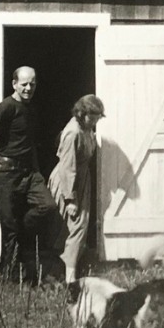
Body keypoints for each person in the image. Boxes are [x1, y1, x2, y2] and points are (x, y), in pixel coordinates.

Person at [0, 66, 59, 281]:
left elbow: (29, 144)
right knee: (9, 227)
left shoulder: (32, 109)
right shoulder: (5, 107)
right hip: (6, 172)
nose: (28, 88)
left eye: (32, 84)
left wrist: (37, 172)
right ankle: (9, 277)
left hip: (29, 172)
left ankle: (21, 234)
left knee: (48, 206)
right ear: (14, 83)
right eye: (24, 84)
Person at [49, 94, 105, 283]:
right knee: (76, 228)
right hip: (68, 182)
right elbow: (68, 167)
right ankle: (70, 279)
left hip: (81, 179)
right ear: (82, 113)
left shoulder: (86, 128)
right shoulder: (73, 132)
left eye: (99, 117)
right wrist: (70, 199)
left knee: (74, 228)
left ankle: (58, 272)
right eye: (93, 116)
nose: (96, 120)